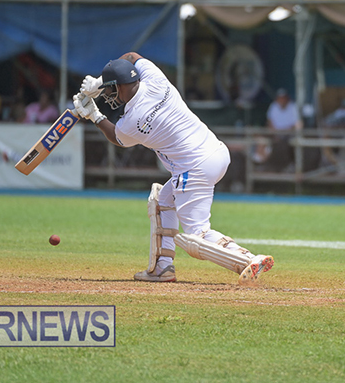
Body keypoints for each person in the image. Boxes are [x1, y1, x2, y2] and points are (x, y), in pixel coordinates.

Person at [74, 53, 274, 284]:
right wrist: (101, 82)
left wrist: (93, 114)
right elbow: (131, 56)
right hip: (216, 152)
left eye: (111, 90)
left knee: (196, 235)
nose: (109, 96)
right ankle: (162, 267)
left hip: (194, 167)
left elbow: (116, 137)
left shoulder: (133, 121)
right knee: (162, 202)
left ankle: (247, 259)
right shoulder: (155, 78)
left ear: (119, 86)